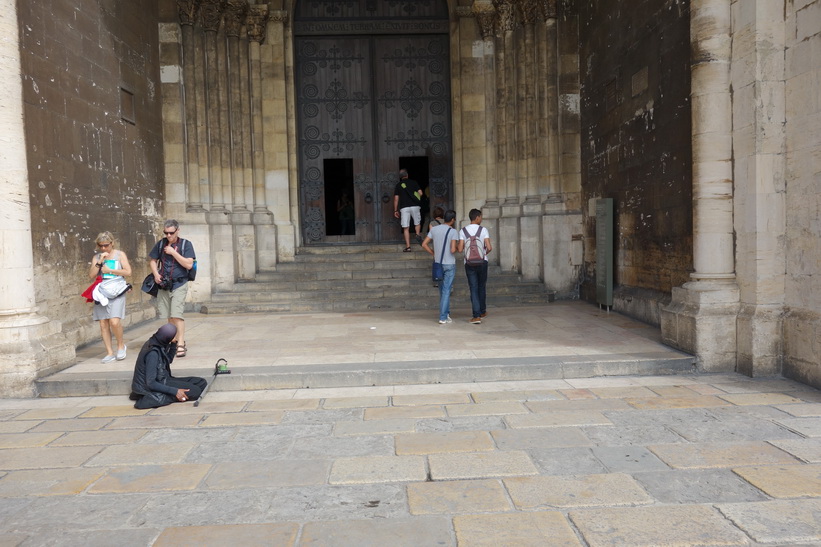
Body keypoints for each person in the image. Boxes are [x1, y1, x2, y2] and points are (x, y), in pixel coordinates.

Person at [148, 219, 196, 358]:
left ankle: (181, 343)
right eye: (166, 233)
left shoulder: (186, 244)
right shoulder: (161, 244)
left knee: (177, 315)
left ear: (177, 231)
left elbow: (188, 264)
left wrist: (173, 252)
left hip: (179, 283)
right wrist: (156, 274)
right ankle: (173, 339)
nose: (168, 236)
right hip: (164, 284)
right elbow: (152, 260)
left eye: (171, 233)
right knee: (168, 315)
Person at [130, 323, 206, 409]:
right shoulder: (152, 353)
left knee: (201, 382)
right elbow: (151, 383)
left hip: (163, 379)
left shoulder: (158, 342)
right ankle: (159, 397)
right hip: (149, 387)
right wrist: (174, 391)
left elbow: (168, 360)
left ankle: (170, 393)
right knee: (195, 391)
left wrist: (173, 344)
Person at [89, 231, 132, 363]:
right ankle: (109, 352)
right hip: (102, 292)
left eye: (106, 245)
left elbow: (128, 272)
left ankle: (120, 346)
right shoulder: (97, 257)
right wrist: (100, 261)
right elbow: (91, 275)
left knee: (114, 321)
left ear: (112, 243)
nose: (103, 248)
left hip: (117, 290)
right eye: (100, 245)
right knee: (103, 323)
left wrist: (111, 270)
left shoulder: (120, 255)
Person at [422, 210, 460, 324]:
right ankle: (443, 317)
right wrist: (459, 248)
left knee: (442, 291)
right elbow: (453, 249)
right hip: (449, 264)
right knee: (446, 290)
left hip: (438, 264)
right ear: (452, 220)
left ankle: (446, 313)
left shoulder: (434, 229)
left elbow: (424, 244)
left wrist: (433, 253)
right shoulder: (453, 231)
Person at [458, 209, 493, 324]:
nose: (481, 219)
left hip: (469, 263)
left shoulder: (463, 231)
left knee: (473, 288)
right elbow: (489, 247)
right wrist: (482, 255)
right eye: (481, 217)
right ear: (477, 217)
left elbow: (459, 249)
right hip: (483, 262)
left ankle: (476, 316)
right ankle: (482, 311)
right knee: (481, 286)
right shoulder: (483, 230)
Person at [393, 168, 423, 252]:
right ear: (407, 175)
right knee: (417, 222)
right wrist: (414, 195)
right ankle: (417, 235)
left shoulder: (398, 185)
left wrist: (395, 210)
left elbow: (396, 199)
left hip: (404, 207)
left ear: (400, 177)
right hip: (415, 206)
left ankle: (408, 247)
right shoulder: (413, 182)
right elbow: (420, 193)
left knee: (406, 227)